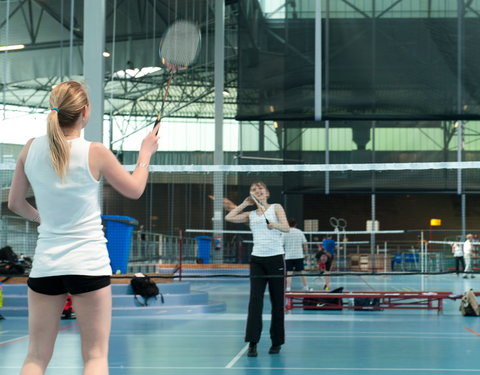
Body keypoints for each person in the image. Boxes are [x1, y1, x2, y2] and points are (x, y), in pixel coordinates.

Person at [8, 80, 160, 375]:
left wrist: (46, 220)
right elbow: (134, 190)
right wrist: (145, 153)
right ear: (85, 111)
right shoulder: (95, 151)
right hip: (88, 264)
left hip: (46, 265)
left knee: (35, 357)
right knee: (94, 357)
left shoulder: (30, 148)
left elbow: (15, 203)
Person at [225, 181, 289, 357]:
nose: (257, 191)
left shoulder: (276, 208)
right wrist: (245, 204)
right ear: (251, 194)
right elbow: (229, 217)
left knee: (277, 303)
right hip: (257, 260)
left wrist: (274, 225)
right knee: (255, 302)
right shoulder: (250, 214)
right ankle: (252, 343)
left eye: (260, 188)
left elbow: (286, 228)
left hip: (275, 258)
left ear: (267, 192)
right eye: (253, 189)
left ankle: (277, 342)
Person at [283, 218, 311, 291]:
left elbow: (281, 244)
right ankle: (306, 287)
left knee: (289, 272)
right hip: (298, 256)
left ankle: (288, 288)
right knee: (302, 272)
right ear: (295, 224)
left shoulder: (284, 232)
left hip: (288, 256)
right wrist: (306, 253)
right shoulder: (299, 232)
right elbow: (305, 244)